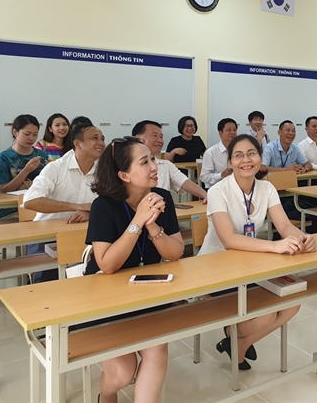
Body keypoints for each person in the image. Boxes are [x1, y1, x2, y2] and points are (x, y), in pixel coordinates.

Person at [199, 134, 316, 370]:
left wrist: (301, 237)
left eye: (252, 154)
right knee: (266, 315)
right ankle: (233, 335)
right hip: (216, 266)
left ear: (260, 158)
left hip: (250, 263)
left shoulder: (266, 187)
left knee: (293, 303)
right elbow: (229, 240)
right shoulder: (217, 191)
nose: (246, 160)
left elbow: (283, 226)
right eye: (238, 155)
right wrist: (275, 246)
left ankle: (238, 344)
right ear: (230, 162)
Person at [84, 136, 184, 403]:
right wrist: (138, 220)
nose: (154, 166)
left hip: (146, 292)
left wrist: (153, 226)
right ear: (123, 175)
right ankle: (105, 395)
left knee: (156, 349)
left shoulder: (162, 197)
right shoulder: (103, 206)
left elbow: (175, 253)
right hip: (103, 299)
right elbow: (106, 265)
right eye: (145, 162)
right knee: (123, 373)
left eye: (152, 159)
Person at [23, 123, 105, 282]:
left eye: (102, 138)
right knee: (47, 285)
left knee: (95, 280)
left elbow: (111, 204)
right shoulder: (56, 168)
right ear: (77, 143)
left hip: (85, 236)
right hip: (47, 238)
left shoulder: (104, 171)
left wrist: (91, 213)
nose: (101, 143)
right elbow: (30, 201)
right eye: (95, 138)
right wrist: (77, 207)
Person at [0, 114, 49, 218]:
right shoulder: (3, 158)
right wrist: (26, 170)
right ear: (15, 132)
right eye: (27, 134)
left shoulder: (41, 155)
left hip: (39, 209)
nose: (31, 138)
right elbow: (4, 190)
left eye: (35, 134)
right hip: (12, 211)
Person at [133, 120, 206, 201]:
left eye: (161, 137)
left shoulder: (165, 165)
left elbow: (185, 182)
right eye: (154, 135)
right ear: (139, 139)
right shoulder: (128, 165)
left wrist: (206, 196)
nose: (159, 140)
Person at [200, 118, 237, 189]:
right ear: (220, 133)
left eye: (234, 130)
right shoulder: (211, 152)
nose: (232, 133)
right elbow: (204, 177)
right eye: (228, 130)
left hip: (235, 189)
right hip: (216, 189)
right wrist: (221, 175)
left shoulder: (239, 150)